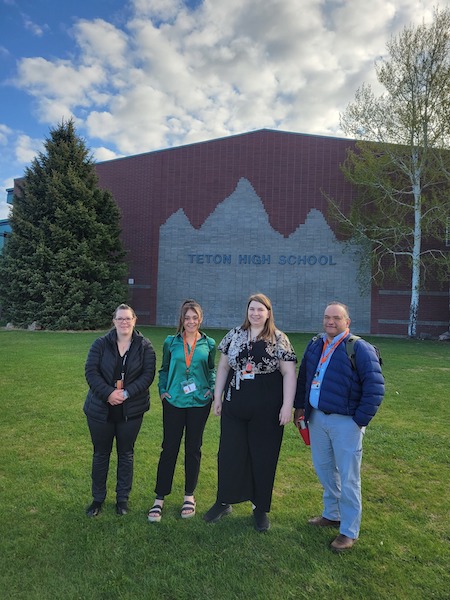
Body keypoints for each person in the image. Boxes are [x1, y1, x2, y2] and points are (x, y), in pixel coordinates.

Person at [294, 301, 384, 551]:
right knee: (324, 469)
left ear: (347, 322)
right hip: (317, 419)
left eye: (336, 318)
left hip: (346, 423)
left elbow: (375, 388)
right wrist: (300, 407)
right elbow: (304, 377)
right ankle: (332, 514)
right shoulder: (315, 344)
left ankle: (348, 530)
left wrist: (359, 422)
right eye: (326, 317)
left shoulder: (359, 348)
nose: (330, 322)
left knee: (349, 477)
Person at [204, 293, 297, 532]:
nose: (255, 314)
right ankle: (224, 501)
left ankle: (260, 508)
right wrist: (218, 397)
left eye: (260, 310)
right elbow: (223, 366)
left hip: (267, 406)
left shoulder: (279, 338)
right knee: (229, 453)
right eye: (252, 309)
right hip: (236, 403)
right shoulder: (234, 335)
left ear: (268, 313)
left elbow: (288, 373)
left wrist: (288, 405)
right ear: (247, 311)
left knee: (263, 456)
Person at [84, 304, 156, 517]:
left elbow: (147, 375)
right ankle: (97, 499)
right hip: (100, 409)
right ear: (114, 321)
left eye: (128, 319)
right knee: (100, 454)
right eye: (120, 319)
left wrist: (125, 394)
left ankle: (122, 500)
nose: (124, 322)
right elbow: (91, 371)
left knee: (126, 454)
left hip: (131, 409)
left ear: (134, 320)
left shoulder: (144, 346)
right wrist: (108, 393)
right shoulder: (100, 344)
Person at [147, 300, 216, 522]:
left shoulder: (209, 343)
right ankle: (159, 497)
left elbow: (211, 370)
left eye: (195, 318)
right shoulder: (171, 342)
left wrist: (212, 389)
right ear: (182, 320)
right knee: (169, 448)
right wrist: (162, 391)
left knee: (193, 449)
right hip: (174, 401)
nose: (191, 321)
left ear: (200, 319)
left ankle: (189, 496)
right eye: (187, 318)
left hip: (198, 403)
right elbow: (165, 369)